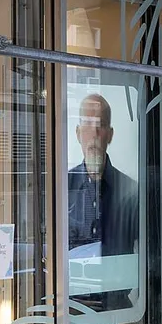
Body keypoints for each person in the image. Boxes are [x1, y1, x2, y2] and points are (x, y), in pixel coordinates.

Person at [67, 93, 139, 310]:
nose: (94, 134)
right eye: (88, 124)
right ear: (78, 133)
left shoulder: (131, 191)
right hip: (70, 310)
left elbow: (150, 257)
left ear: (110, 134)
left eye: (101, 125)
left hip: (118, 312)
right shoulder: (61, 189)